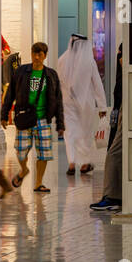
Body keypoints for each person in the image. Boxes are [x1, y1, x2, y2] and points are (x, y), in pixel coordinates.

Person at [1, 42, 62, 192]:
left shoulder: (51, 75)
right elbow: (10, 94)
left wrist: (60, 123)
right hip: (24, 117)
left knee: (44, 152)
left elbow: (58, 99)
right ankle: (23, 170)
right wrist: (4, 114)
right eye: (34, 53)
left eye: (40, 54)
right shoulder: (21, 72)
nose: (36, 57)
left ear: (45, 56)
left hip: (43, 119)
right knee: (20, 151)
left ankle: (38, 183)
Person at [55, 34, 108, 175]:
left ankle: (72, 162)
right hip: (86, 103)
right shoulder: (89, 62)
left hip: (67, 102)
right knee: (85, 133)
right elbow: (97, 84)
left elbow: (57, 84)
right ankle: (84, 163)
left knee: (70, 133)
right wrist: (102, 106)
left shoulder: (61, 60)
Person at [91, 45, 125, 213]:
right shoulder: (122, 75)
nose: (119, 59)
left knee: (113, 154)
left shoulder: (129, 75)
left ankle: (112, 197)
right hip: (119, 114)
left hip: (127, 114)